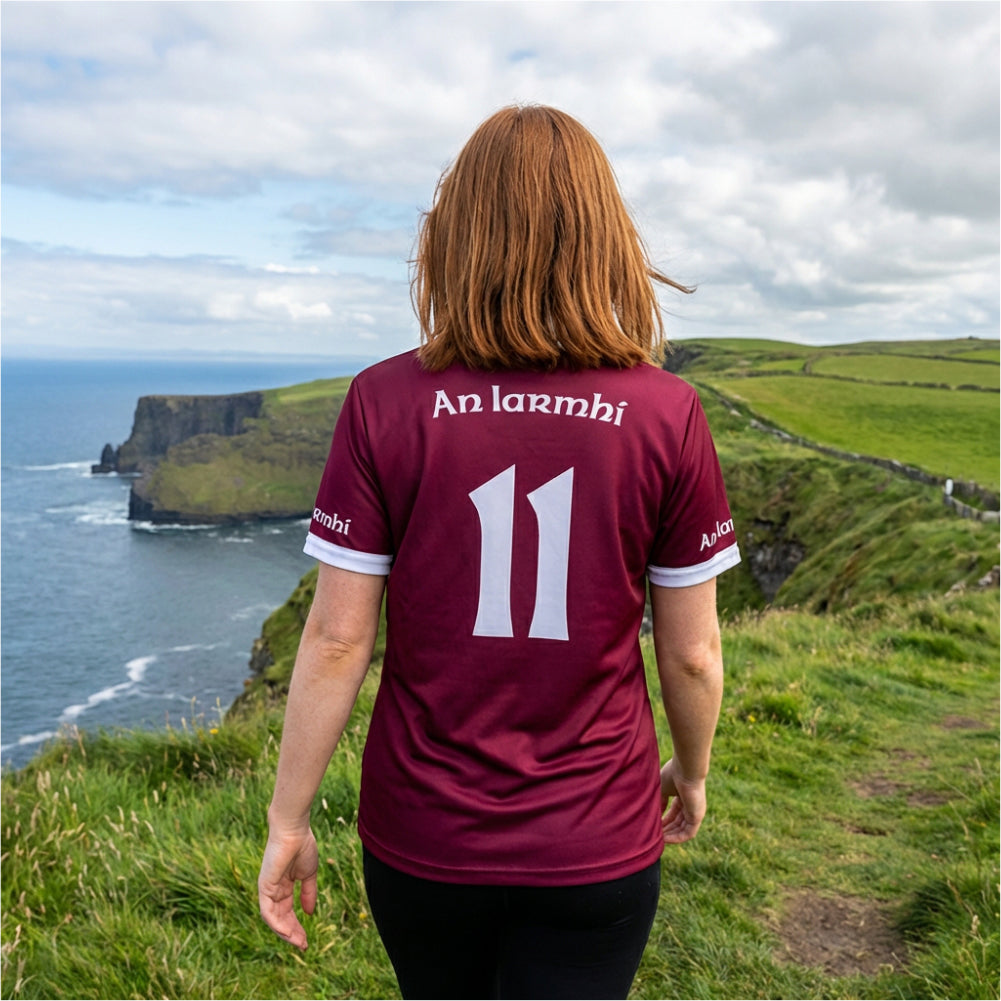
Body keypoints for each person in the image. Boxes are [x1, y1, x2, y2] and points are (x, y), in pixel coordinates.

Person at [258, 104, 740, 1000]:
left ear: (457, 236)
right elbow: (691, 649)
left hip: (422, 839)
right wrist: (692, 769)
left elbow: (334, 638)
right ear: (603, 236)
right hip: (596, 837)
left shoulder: (382, 401)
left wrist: (289, 817)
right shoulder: (666, 412)